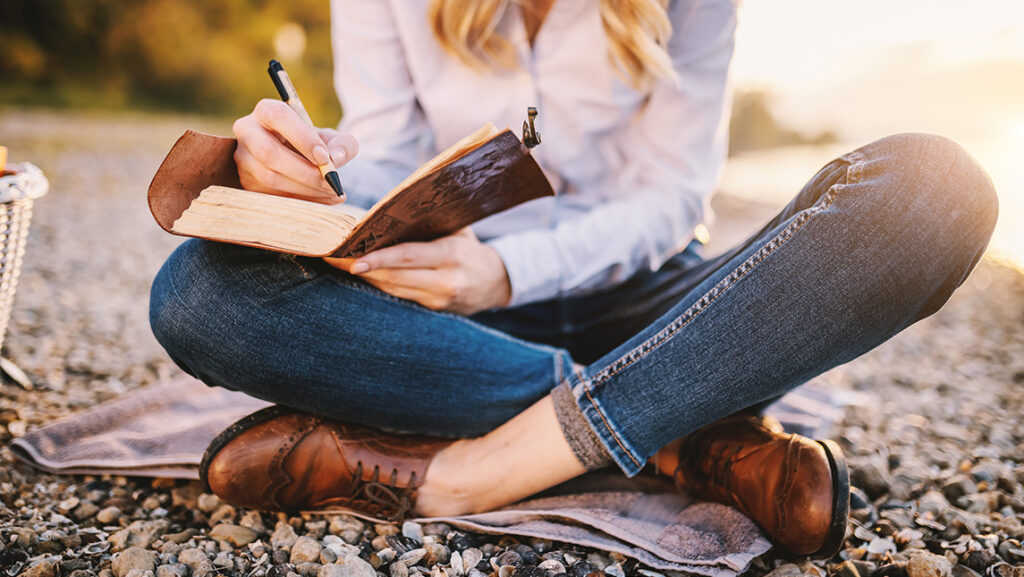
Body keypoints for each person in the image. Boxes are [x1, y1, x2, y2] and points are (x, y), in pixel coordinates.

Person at [148, 0, 998, 560]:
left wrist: (510, 271)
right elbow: (387, 171)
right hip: (449, 318)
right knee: (197, 294)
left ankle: (472, 472)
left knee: (937, 191)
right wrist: (287, 177)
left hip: (651, 303)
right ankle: (678, 431)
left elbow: (669, 198)